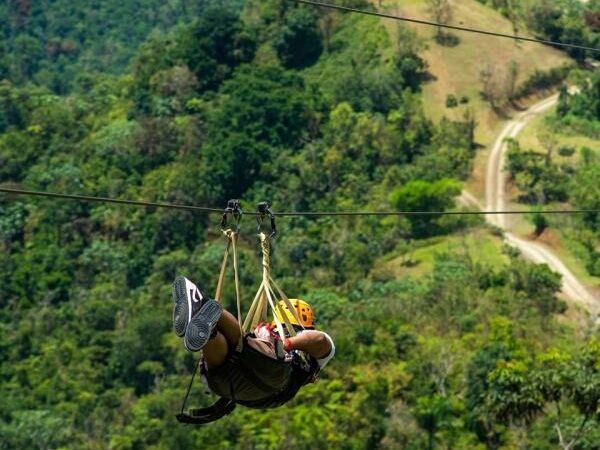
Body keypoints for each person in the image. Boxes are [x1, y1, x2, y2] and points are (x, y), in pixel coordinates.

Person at [171, 276, 335, 410]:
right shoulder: (306, 357)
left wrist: (283, 343)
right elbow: (319, 340)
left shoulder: (307, 351)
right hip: (234, 388)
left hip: (268, 378)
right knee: (232, 352)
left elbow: (319, 340)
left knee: (241, 344)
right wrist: (275, 342)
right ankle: (207, 328)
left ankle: (202, 304)